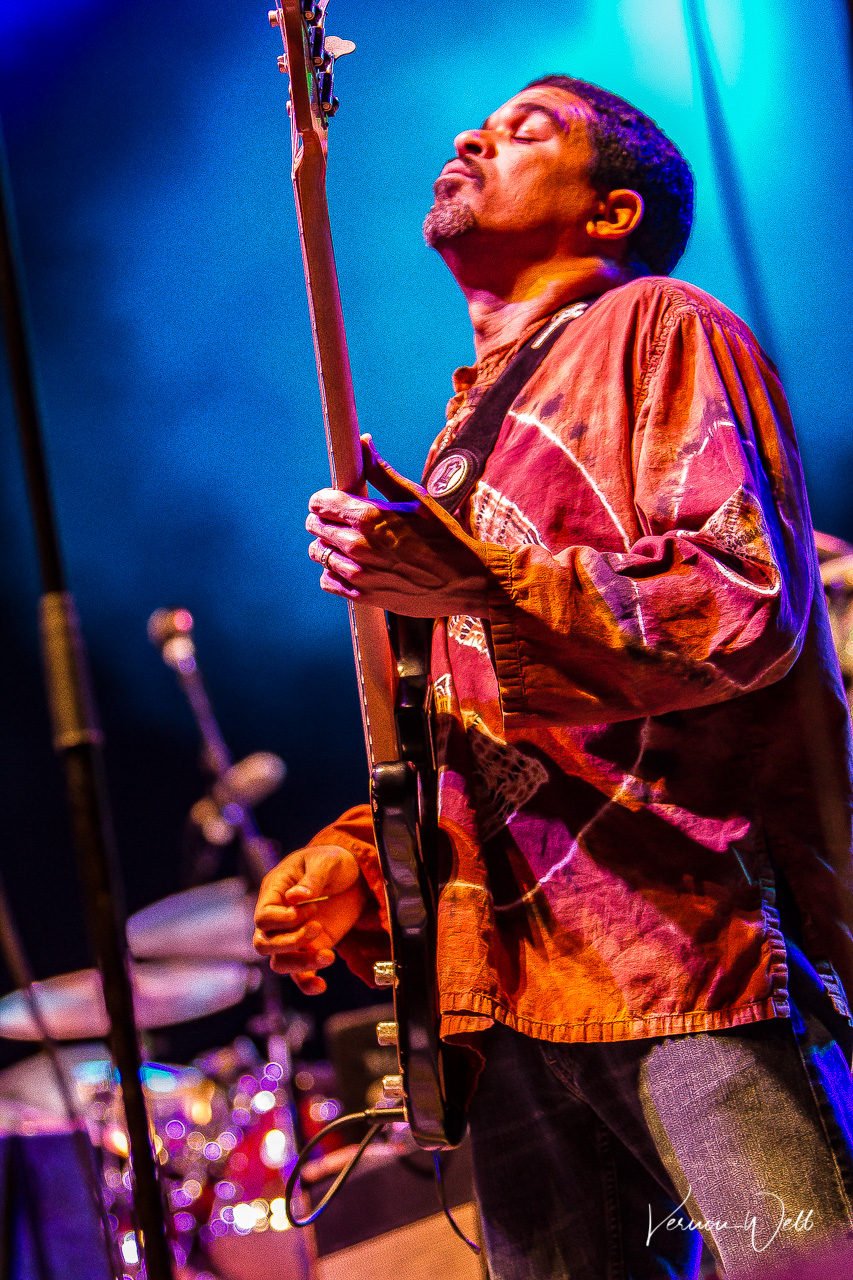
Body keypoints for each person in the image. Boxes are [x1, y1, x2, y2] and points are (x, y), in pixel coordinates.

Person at [254, 76, 853, 1278]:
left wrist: (480, 582)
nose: (472, 136)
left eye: (527, 131)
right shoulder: (462, 431)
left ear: (611, 211)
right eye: (481, 124)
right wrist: (362, 856)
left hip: (692, 952)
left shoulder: (660, 325)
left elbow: (741, 602)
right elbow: (465, 724)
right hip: (516, 983)